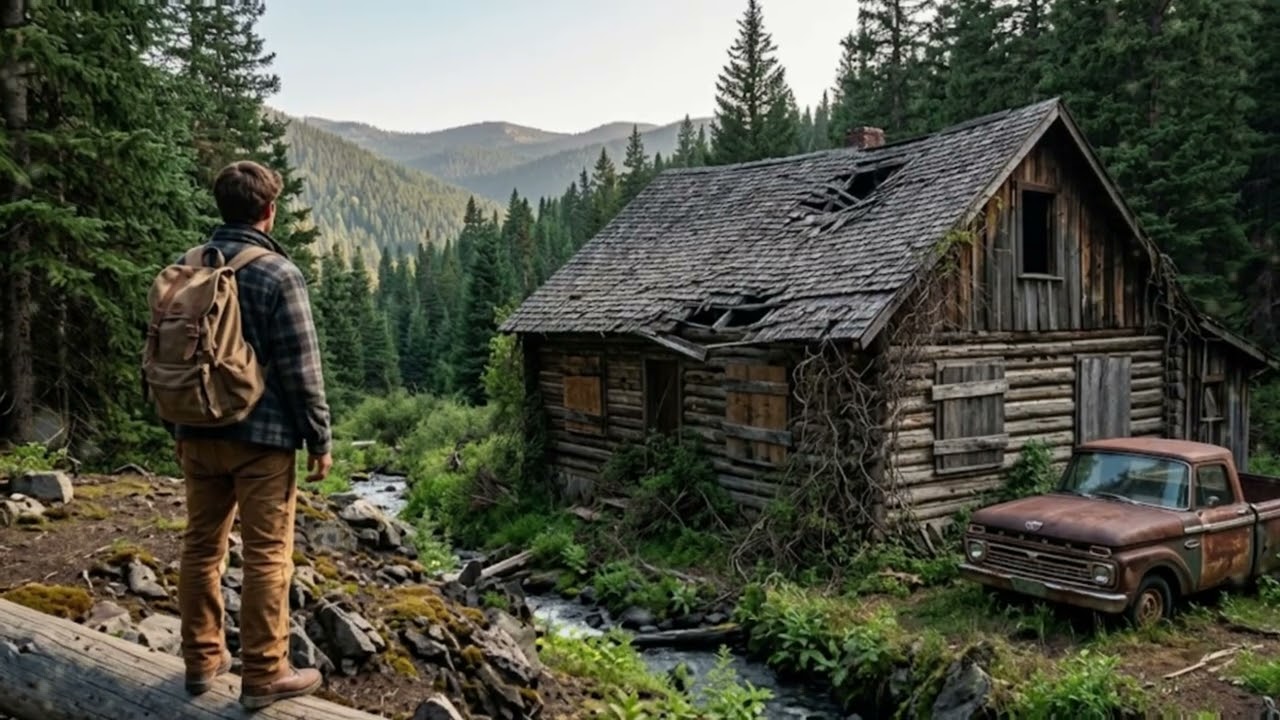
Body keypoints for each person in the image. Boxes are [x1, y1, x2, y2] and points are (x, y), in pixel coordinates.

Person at [170, 160, 332, 709]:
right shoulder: (277, 272)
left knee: (200, 545)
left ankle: (200, 658)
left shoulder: (187, 267)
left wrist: (179, 426)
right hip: (262, 440)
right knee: (267, 554)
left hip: (196, 429)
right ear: (269, 210)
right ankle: (264, 673)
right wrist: (320, 439)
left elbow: (171, 358)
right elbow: (301, 367)